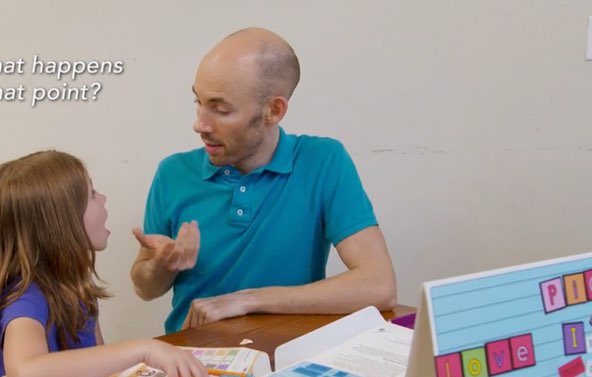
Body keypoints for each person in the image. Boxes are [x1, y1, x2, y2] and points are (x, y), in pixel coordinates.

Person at [131, 28, 397, 333]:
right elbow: (146, 289)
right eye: (198, 102)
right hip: (192, 362)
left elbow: (379, 285)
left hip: (287, 360)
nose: (199, 124)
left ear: (274, 110)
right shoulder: (172, 173)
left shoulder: (323, 161)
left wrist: (248, 300)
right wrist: (161, 266)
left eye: (220, 109)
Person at [0, 150, 207, 377]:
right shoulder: (26, 296)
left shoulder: (76, 285)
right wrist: (143, 349)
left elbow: (96, 367)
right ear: (61, 222)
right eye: (92, 194)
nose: (103, 199)